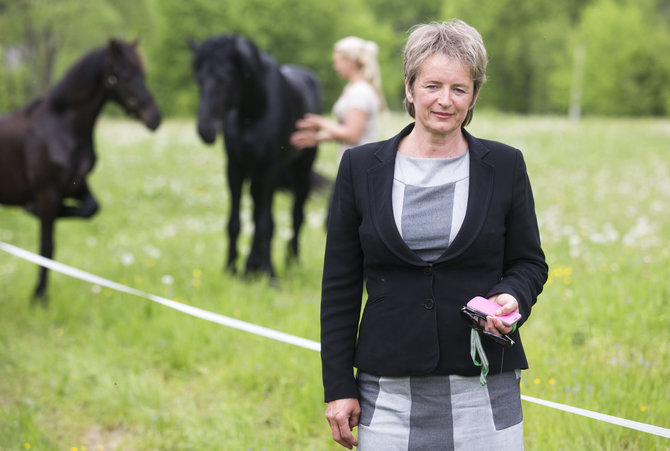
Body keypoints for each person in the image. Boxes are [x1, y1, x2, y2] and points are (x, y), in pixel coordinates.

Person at [319, 19, 548, 450]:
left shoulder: (505, 166)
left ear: (475, 95)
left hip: (483, 387)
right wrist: (337, 386)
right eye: (432, 86)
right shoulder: (359, 167)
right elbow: (340, 286)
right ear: (409, 88)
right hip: (387, 391)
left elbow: (528, 263)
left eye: (459, 89)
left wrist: (512, 296)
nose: (445, 100)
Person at [290, 36, 385, 156]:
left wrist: (321, 123)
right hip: (354, 163)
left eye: (337, 62)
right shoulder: (351, 88)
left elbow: (352, 135)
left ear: (350, 63)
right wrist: (316, 139)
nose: (335, 67)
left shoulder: (361, 92)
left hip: (361, 165)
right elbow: (344, 131)